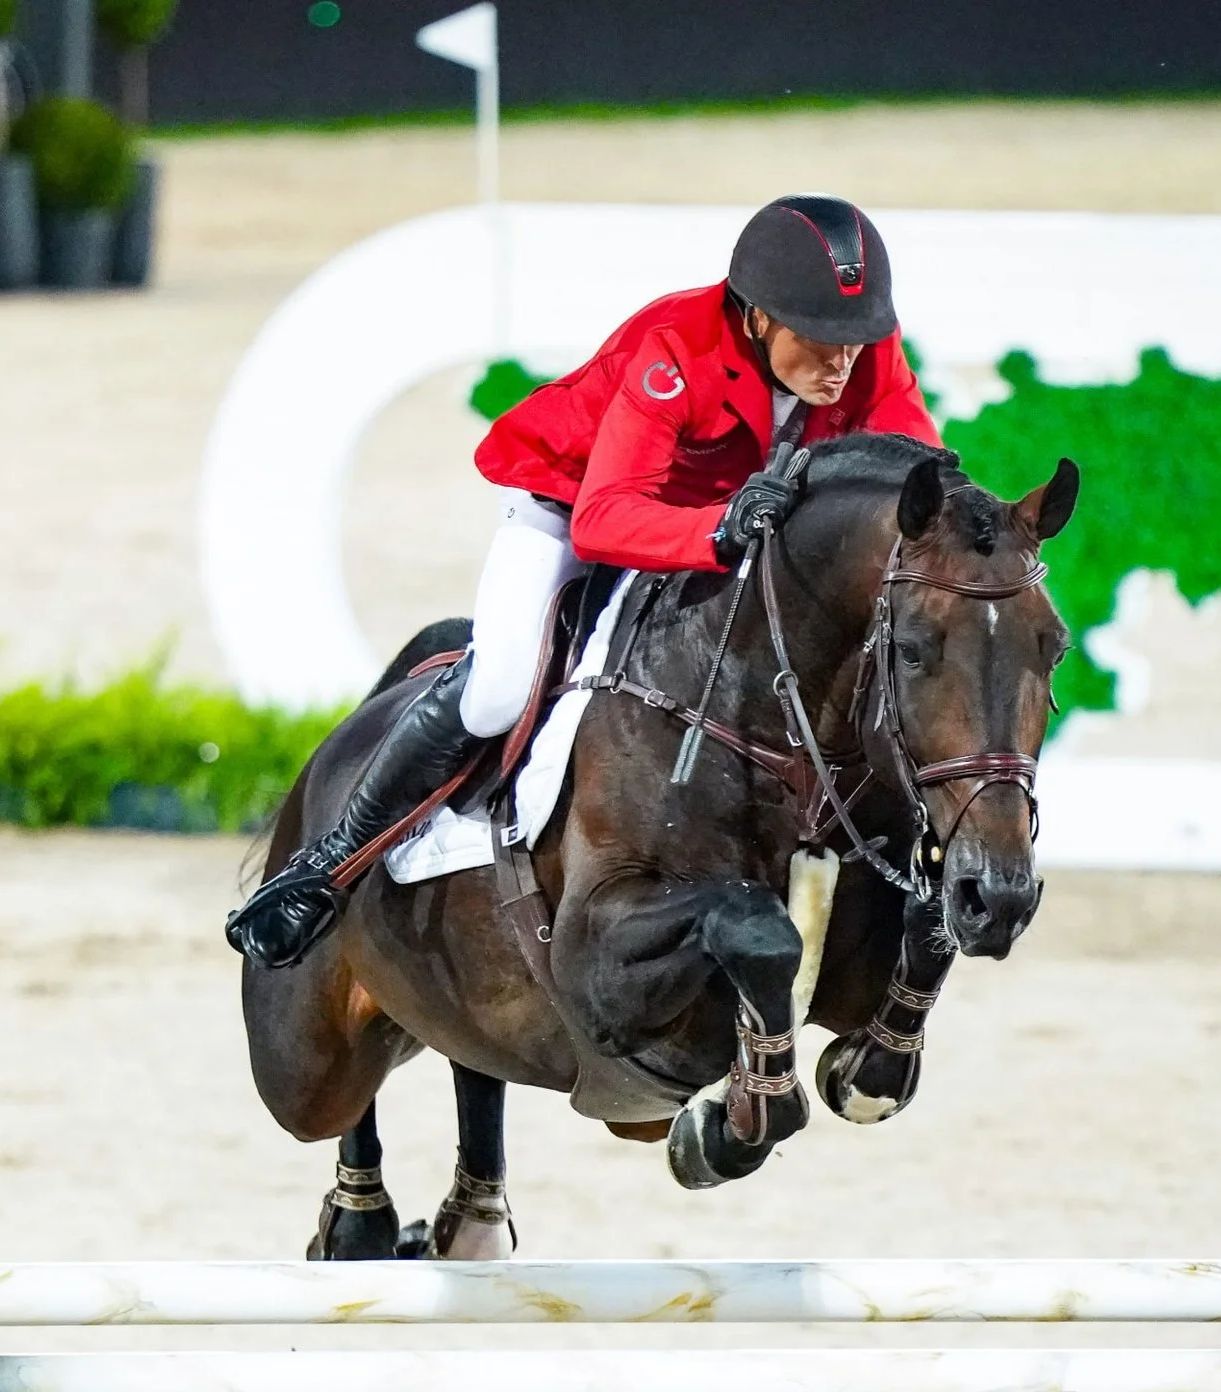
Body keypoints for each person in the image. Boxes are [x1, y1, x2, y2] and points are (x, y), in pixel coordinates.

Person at [228, 194, 942, 968]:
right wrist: (717, 527)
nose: (842, 361)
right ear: (759, 317)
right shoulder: (675, 348)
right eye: (820, 339)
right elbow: (607, 516)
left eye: (856, 338)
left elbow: (912, 468)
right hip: (573, 509)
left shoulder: (863, 348)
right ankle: (326, 866)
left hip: (724, 522)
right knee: (499, 685)